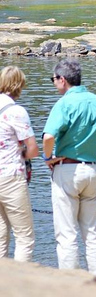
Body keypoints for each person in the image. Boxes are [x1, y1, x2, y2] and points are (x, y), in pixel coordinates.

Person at [43, 59, 96, 275]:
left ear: (62, 79)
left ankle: (70, 283)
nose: (54, 83)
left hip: (67, 169)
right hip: (91, 169)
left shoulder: (63, 103)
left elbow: (49, 136)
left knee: (66, 232)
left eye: (54, 79)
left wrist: (48, 158)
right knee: (92, 232)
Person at [0, 66, 38, 262]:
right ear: (18, 85)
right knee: (24, 237)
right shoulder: (16, 111)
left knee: (0, 236)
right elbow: (32, 149)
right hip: (11, 176)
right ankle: (18, 287)